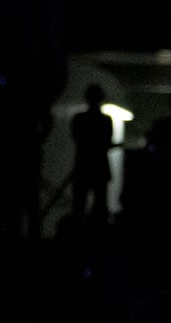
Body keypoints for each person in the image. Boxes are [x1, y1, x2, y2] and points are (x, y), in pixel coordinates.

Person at [70, 84, 115, 223]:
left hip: (82, 165)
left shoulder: (79, 119)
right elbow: (107, 142)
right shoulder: (106, 120)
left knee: (79, 204)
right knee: (100, 203)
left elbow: (77, 138)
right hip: (100, 166)